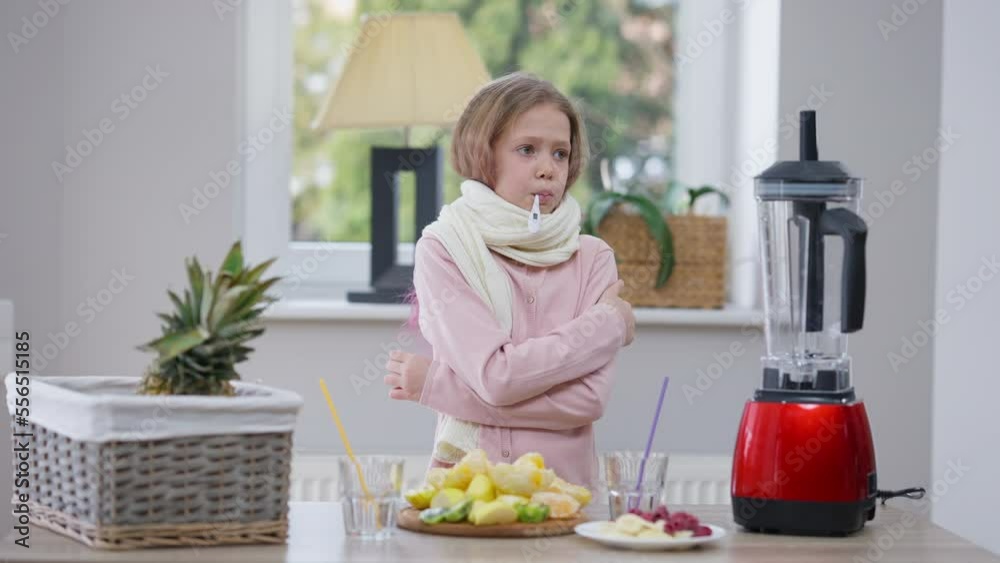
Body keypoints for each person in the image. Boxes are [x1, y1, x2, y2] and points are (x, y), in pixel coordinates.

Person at [383, 72, 636, 489]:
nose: (547, 169)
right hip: (466, 499)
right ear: (484, 155)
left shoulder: (593, 258)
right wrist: (606, 325)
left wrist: (438, 386)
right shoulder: (444, 249)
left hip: (563, 501)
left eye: (560, 153)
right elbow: (497, 379)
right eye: (527, 150)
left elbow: (587, 401)